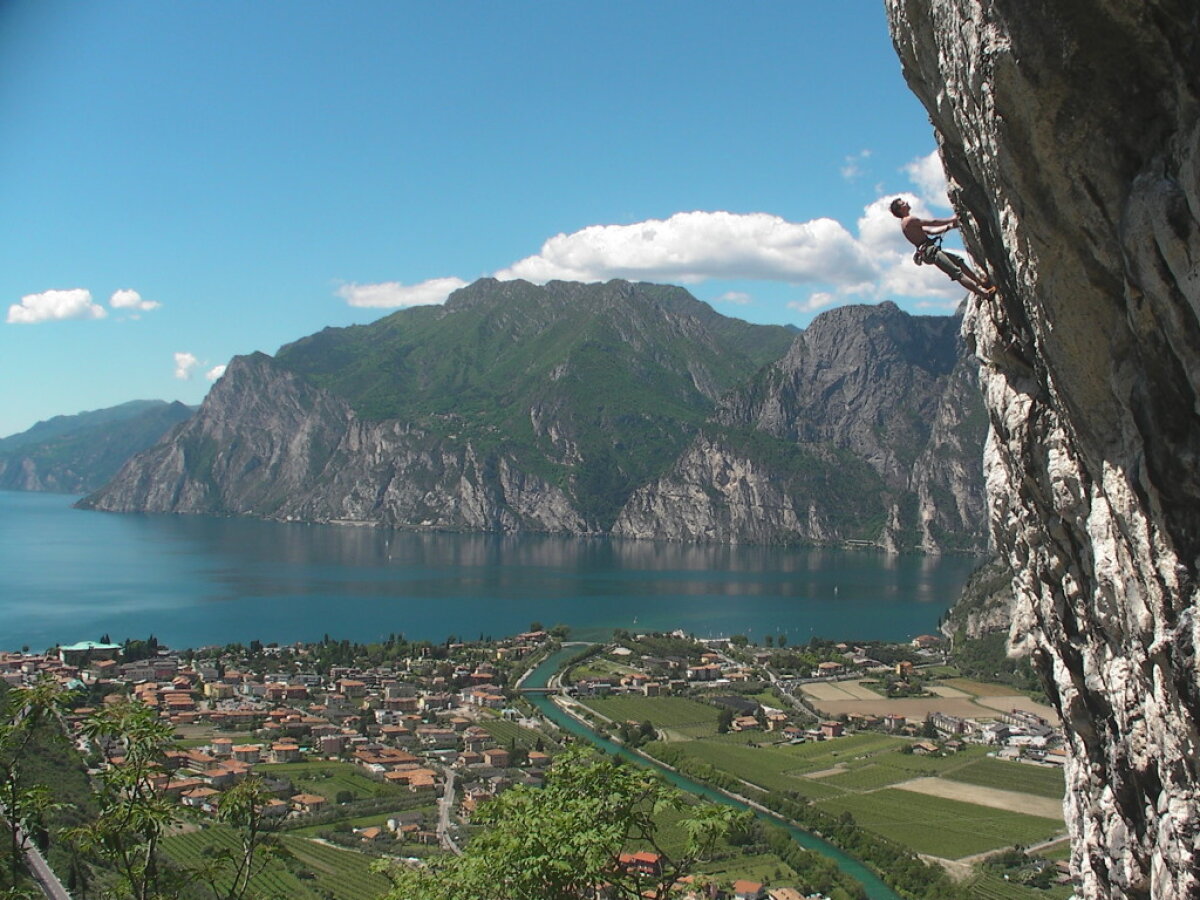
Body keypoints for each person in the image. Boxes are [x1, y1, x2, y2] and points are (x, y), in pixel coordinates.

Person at [890, 198, 995, 297]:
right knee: (957, 273)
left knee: (959, 261)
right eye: (903, 203)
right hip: (930, 251)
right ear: (900, 209)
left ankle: (980, 282)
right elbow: (933, 223)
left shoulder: (906, 224)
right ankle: (985, 294)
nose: (907, 203)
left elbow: (931, 231)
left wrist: (950, 227)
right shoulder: (909, 220)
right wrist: (951, 219)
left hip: (928, 252)